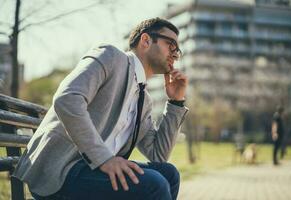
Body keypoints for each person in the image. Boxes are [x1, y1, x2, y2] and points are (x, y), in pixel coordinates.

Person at [13, 17, 188, 200]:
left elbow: (158, 155)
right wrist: (104, 159)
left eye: (178, 50)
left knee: (169, 174)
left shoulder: (144, 100)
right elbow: (67, 99)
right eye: (171, 45)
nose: (175, 54)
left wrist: (176, 102)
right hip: (61, 169)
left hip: (92, 172)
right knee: (154, 184)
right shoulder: (111, 57)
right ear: (145, 41)